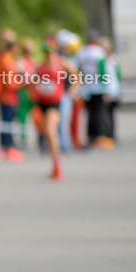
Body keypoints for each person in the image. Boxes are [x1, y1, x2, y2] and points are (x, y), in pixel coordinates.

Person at [28, 38, 76, 180]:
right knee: (47, 134)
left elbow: (76, 76)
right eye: (45, 51)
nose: (48, 54)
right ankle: (54, 165)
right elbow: (33, 81)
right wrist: (34, 91)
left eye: (50, 51)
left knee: (50, 130)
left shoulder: (62, 63)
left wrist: (71, 92)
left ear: (55, 50)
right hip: (42, 102)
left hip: (55, 103)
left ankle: (57, 167)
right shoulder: (40, 66)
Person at [0, 29, 23, 162]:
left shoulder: (7, 57)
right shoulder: (6, 59)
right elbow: (10, 82)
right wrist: (22, 83)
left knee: (7, 121)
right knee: (7, 122)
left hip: (8, 96)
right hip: (7, 96)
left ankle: (7, 146)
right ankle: (6, 147)